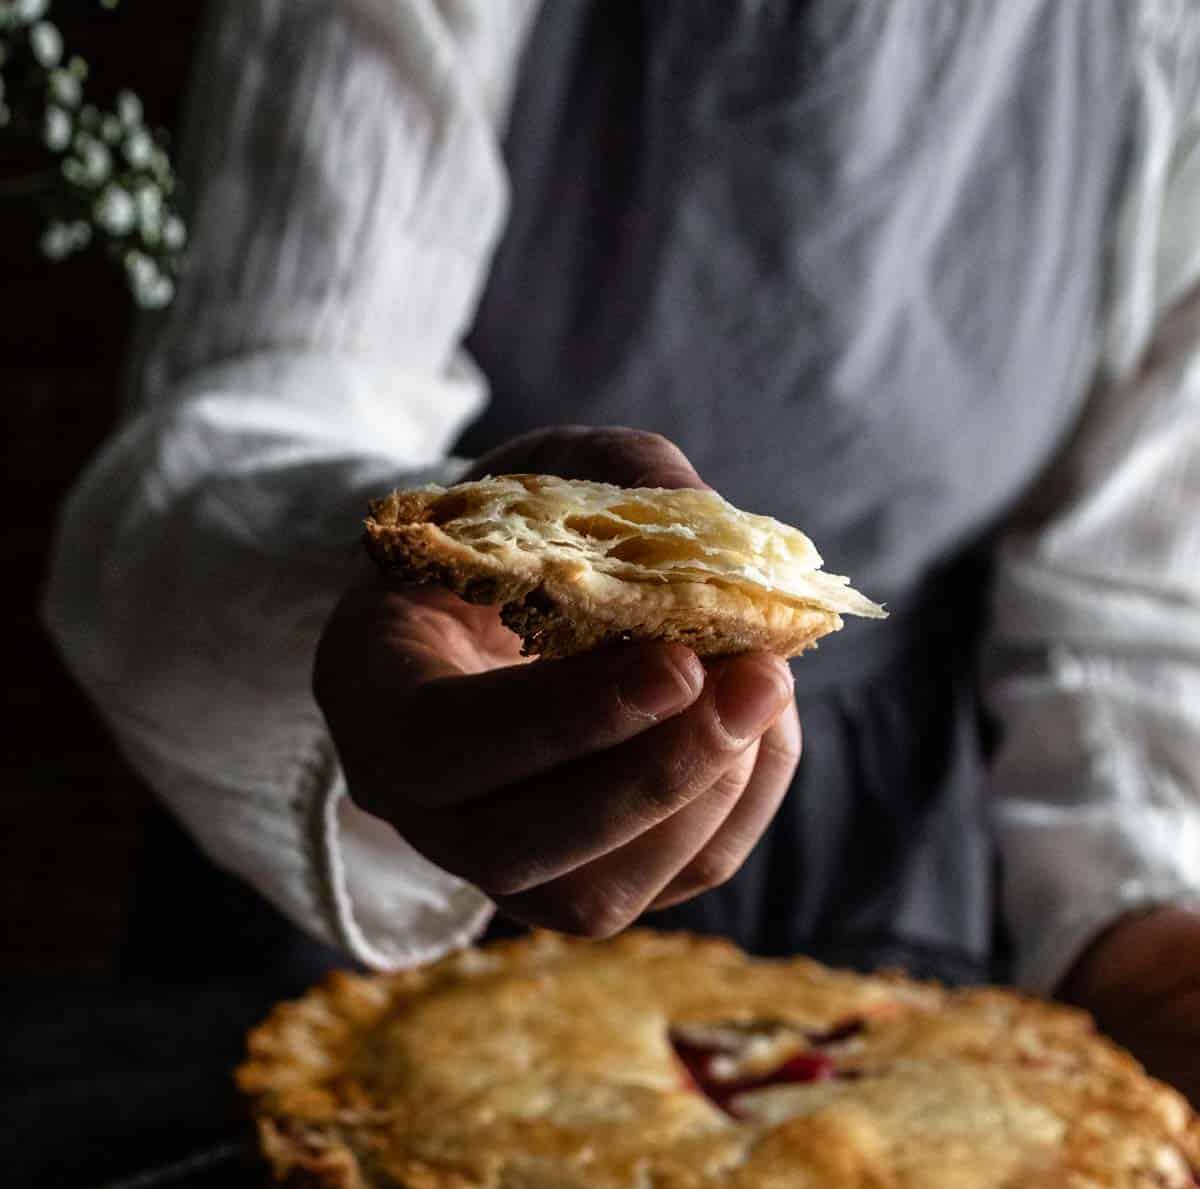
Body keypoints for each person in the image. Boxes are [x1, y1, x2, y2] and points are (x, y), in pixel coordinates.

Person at [43, 0, 1200, 1112]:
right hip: (395, 838)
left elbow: (1123, 604)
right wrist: (383, 588)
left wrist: (1141, 937)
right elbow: (257, 413)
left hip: (900, 860)